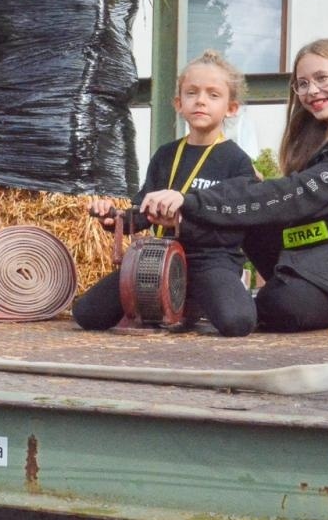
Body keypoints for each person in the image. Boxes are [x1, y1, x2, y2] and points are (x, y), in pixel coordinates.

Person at [143, 38, 328, 332]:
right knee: (253, 222)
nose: (312, 91)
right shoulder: (326, 129)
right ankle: (226, 283)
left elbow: (301, 193)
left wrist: (193, 201)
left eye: (322, 78)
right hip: (325, 249)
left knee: (278, 306)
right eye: (303, 84)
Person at [73, 51, 260, 336]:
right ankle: (174, 296)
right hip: (155, 258)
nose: (200, 100)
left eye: (213, 95)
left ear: (231, 108)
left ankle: (192, 296)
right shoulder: (165, 155)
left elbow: (235, 228)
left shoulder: (237, 162)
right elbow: (142, 213)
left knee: (238, 322)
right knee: (86, 313)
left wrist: (181, 221)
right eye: (191, 92)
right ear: (178, 103)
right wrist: (114, 218)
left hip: (209, 261)